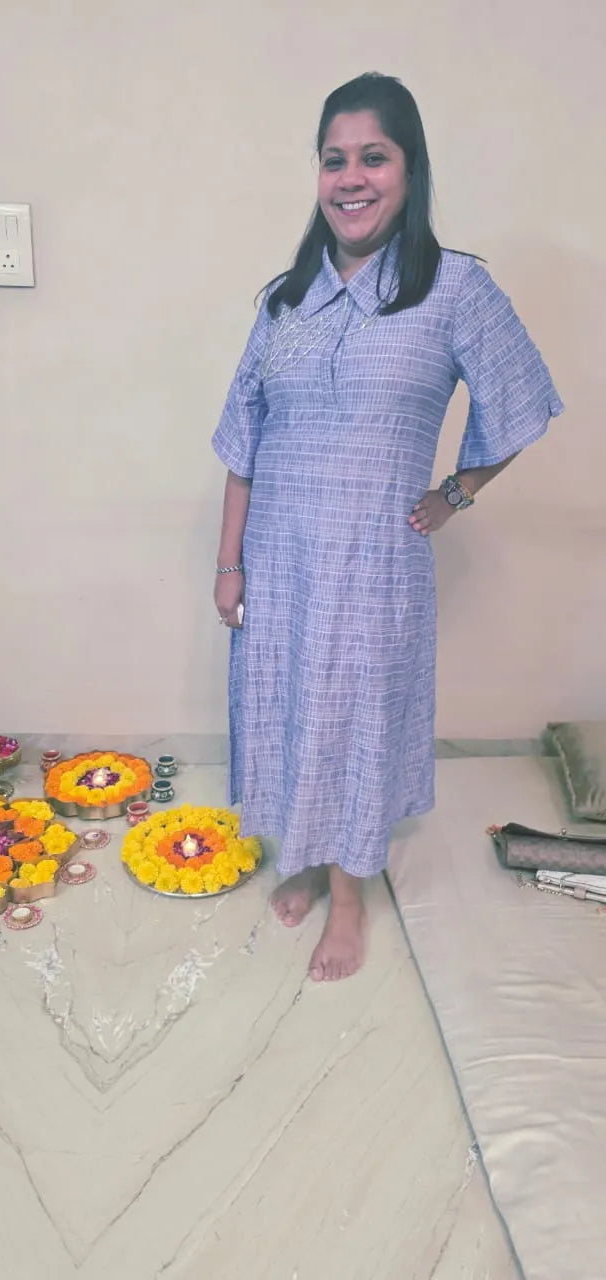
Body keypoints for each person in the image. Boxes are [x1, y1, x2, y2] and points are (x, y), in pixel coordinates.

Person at [212, 72, 562, 983]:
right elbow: (243, 440)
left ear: (410, 171)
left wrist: (454, 493)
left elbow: (521, 401)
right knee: (285, 705)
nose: (351, 178)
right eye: (335, 160)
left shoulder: (453, 289)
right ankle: (303, 859)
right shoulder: (284, 299)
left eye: (374, 157)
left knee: (353, 717)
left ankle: (350, 895)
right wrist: (229, 564)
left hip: (371, 564)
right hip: (278, 557)